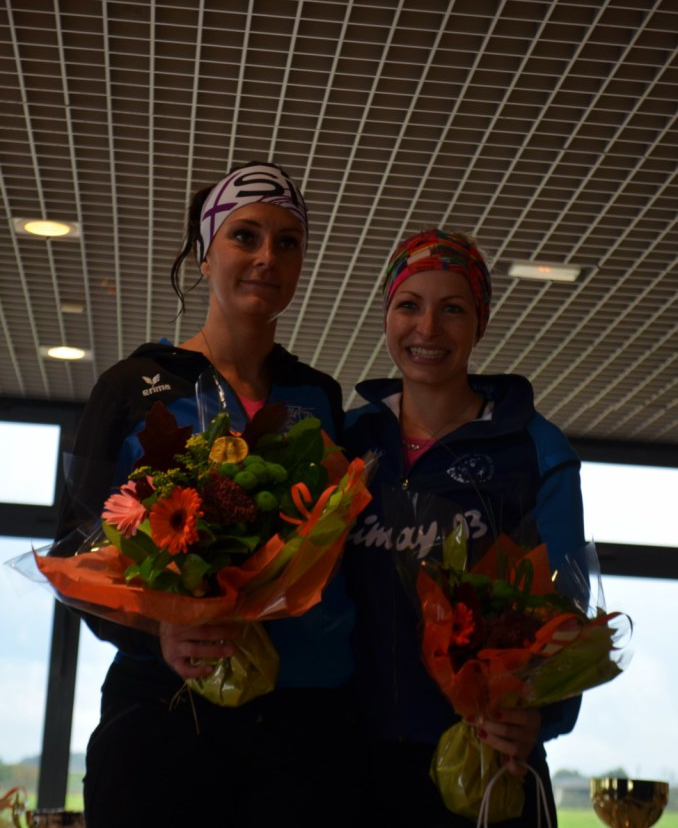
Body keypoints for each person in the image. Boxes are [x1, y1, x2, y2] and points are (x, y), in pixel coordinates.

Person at [55, 161, 364, 828]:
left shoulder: (317, 395)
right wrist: (159, 630)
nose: (267, 256)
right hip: (166, 708)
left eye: (287, 242)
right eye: (245, 236)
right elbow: (74, 551)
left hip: (299, 722)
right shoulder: (133, 385)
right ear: (204, 254)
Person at [342, 228, 585, 827]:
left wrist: (540, 714)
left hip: (485, 759)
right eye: (409, 305)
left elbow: (566, 610)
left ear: (481, 323)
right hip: (351, 761)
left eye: (452, 309)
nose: (427, 328)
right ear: (386, 315)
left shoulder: (533, 448)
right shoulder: (346, 443)